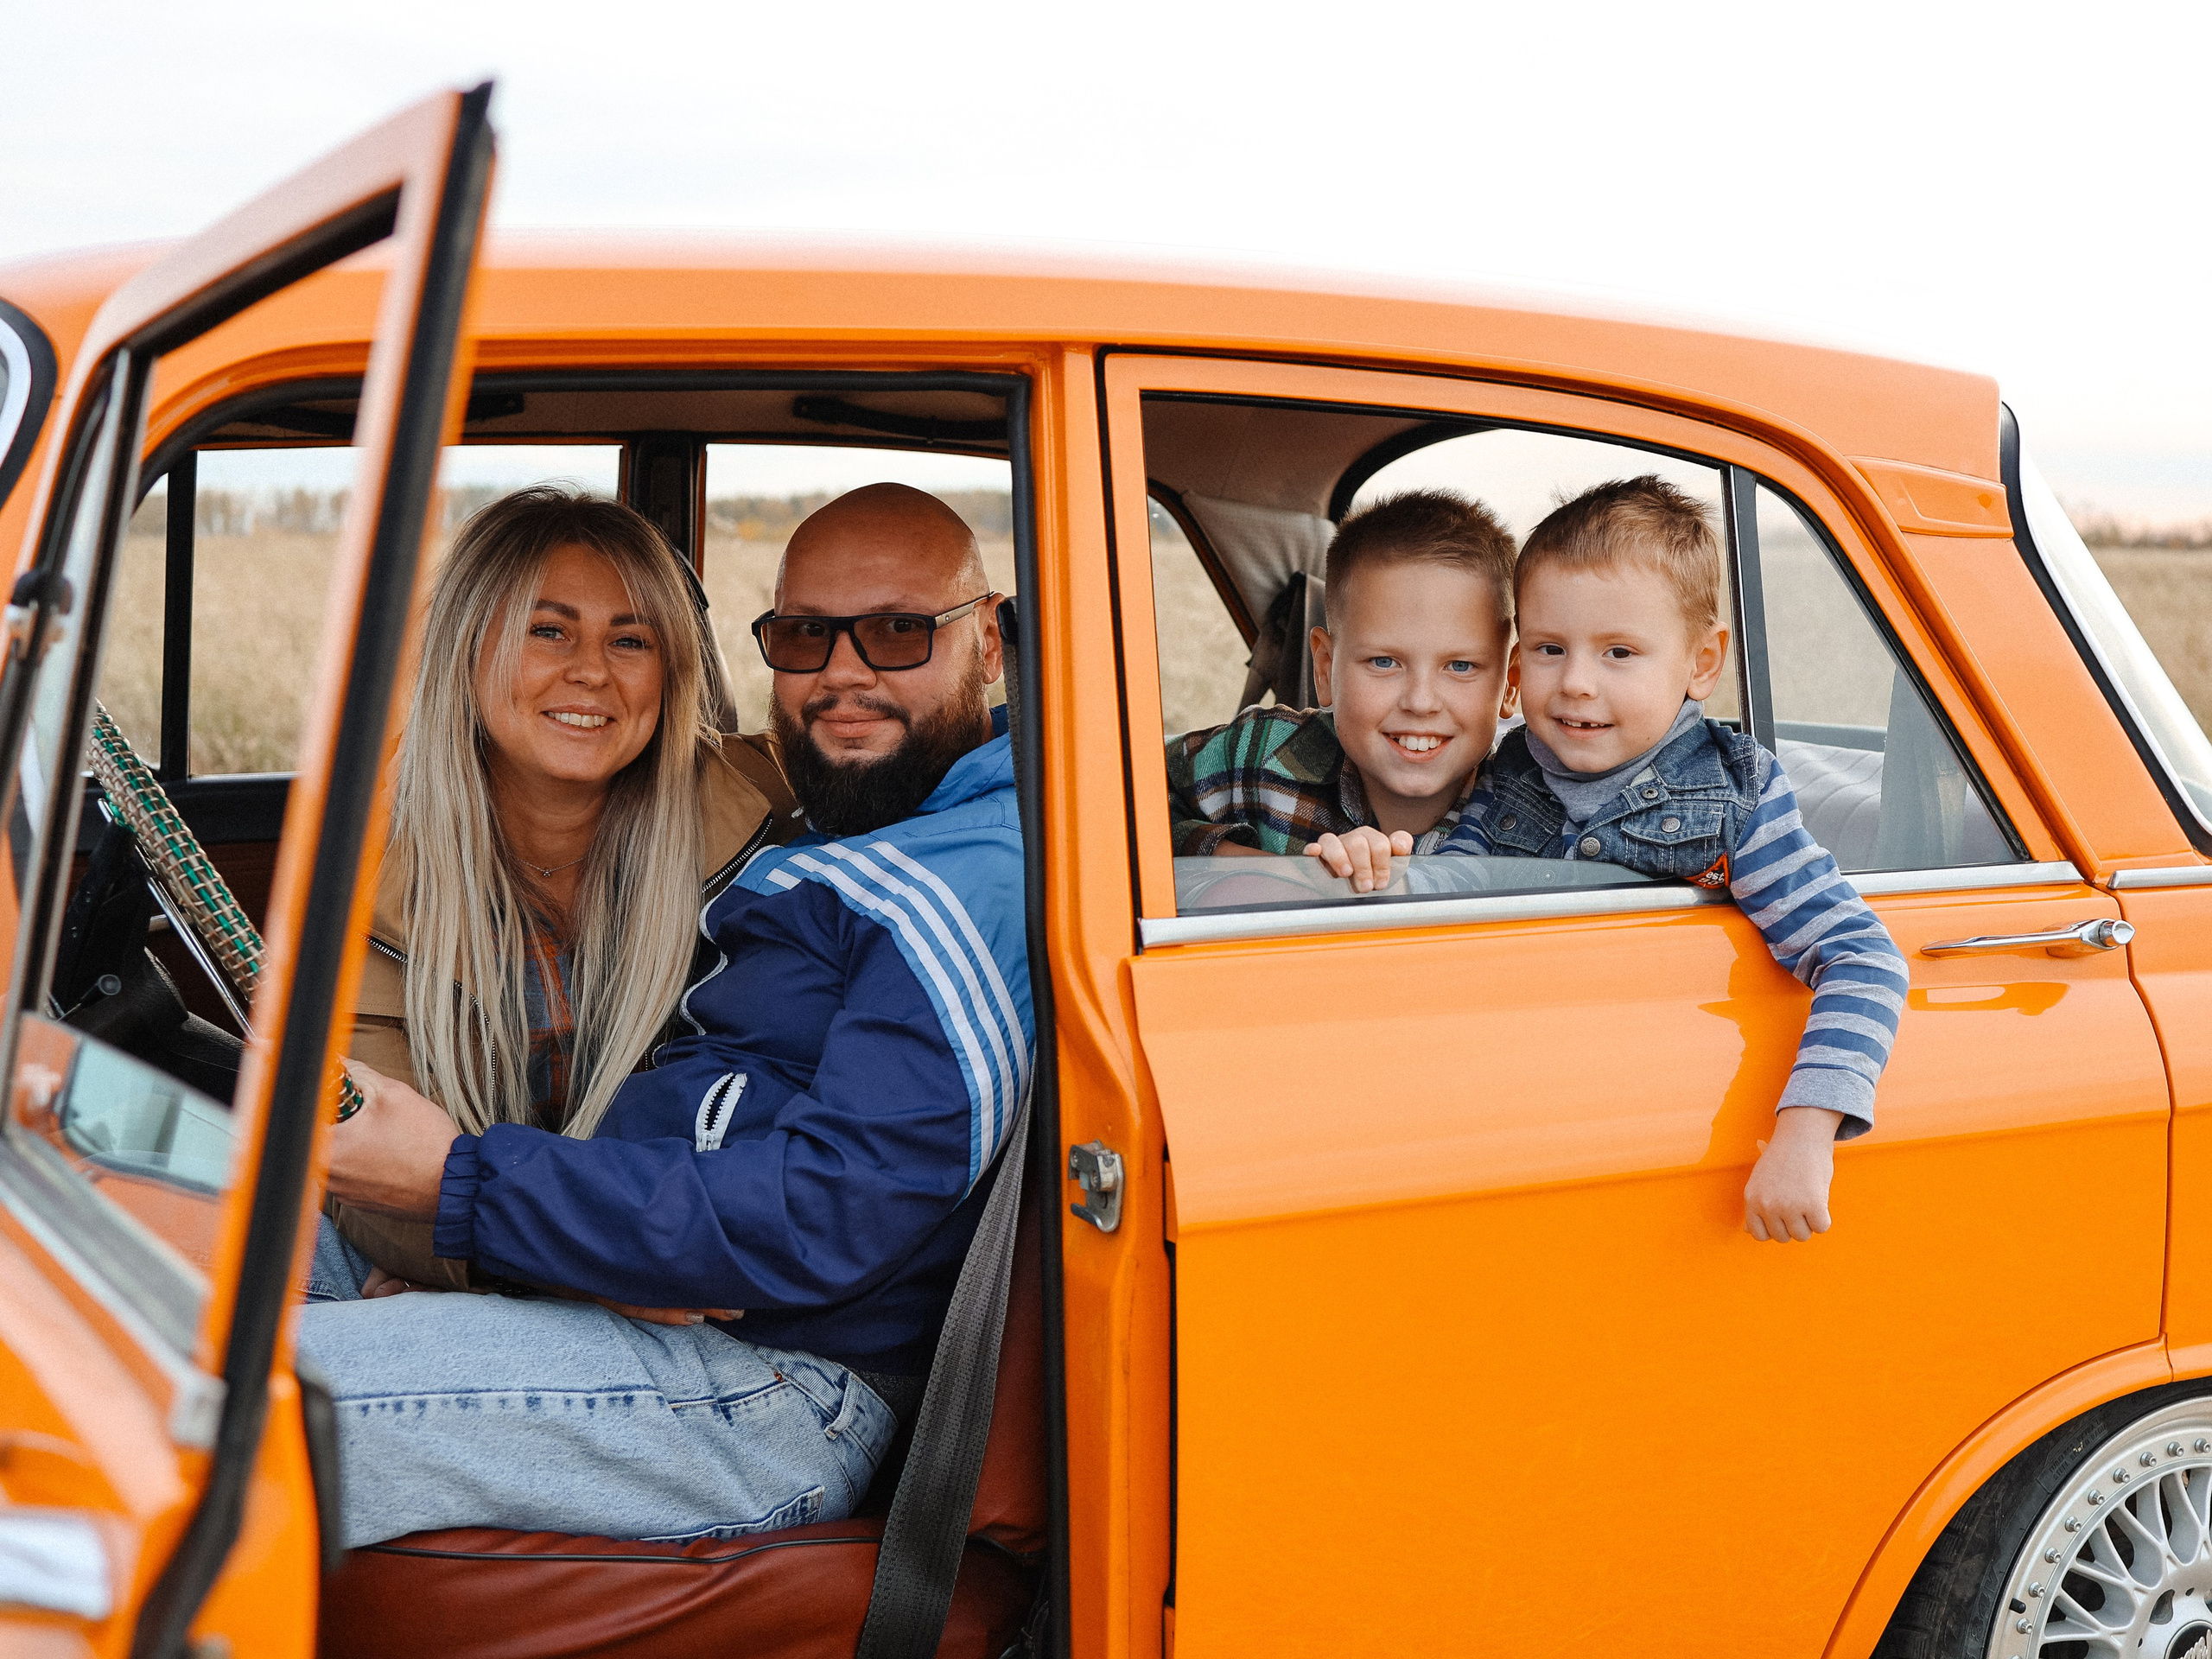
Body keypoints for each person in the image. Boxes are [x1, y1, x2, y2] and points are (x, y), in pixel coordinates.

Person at [300, 482, 1032, 1550]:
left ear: (993, 646)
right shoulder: (854, 835)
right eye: (803, 637)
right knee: (112, 1283)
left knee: (174, 1409)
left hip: (765, 1375)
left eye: (897, 632)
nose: (843, 674)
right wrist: (540, 1251)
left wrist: (469, 1190)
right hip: (634, 1276)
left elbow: (822, 1215)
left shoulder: (961, 879)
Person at [327, 486, 801, 1296]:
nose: (591, 672)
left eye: (631, 640)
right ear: (465, 650)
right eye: (548, 631)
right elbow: (357, 1153)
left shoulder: (773, 819)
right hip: (500, 1248)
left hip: (672, 1258)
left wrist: (510, 1261)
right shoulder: (362, 865)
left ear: (669, 671)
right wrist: (493, 1265)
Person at [1433, 475, 1909, 1243]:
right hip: (1526, 1099)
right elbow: (1453, 884)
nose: (1576, 682)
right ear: (1518, 663)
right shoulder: (1512, 766)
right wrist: (1388, 868)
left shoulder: (1733, 799)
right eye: (1551, 649)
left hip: (1673, 1108)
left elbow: (1861, 956)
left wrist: (1806, 1132)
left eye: (1619, 652)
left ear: (1701, 663)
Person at [1165, 490, 1519, 892]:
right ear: (1325, 668)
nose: (1420, 702)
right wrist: (1261, 872)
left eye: (1460, 666)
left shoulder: (1529, 804)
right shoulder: (1263, 750)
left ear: (1511, 682)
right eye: (1384, 662)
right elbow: (1115, 798)